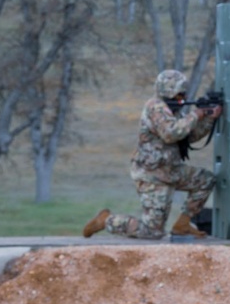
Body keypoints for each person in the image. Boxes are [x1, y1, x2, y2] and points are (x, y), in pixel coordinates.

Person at [82, 69, 222, 240]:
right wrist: (196, 114)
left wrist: (208, 118)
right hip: (152, 175)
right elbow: (171, 133)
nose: (182, 95)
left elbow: (188, 136)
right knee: (152, 232)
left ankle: (183, 224)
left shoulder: (175, 110)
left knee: (205, 180)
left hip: (170, 170)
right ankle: (107, 221)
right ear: (168, 90)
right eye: (179, 92)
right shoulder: (155, 107)